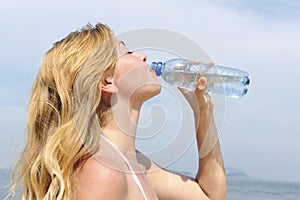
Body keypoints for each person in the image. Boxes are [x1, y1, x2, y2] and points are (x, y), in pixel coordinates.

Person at [11, 23, 227, 200]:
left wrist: (203, 110)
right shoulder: (102, 172)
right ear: (107, 81)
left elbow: (210, 197)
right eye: (128, 52)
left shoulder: (133, 163)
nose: (142, 55)